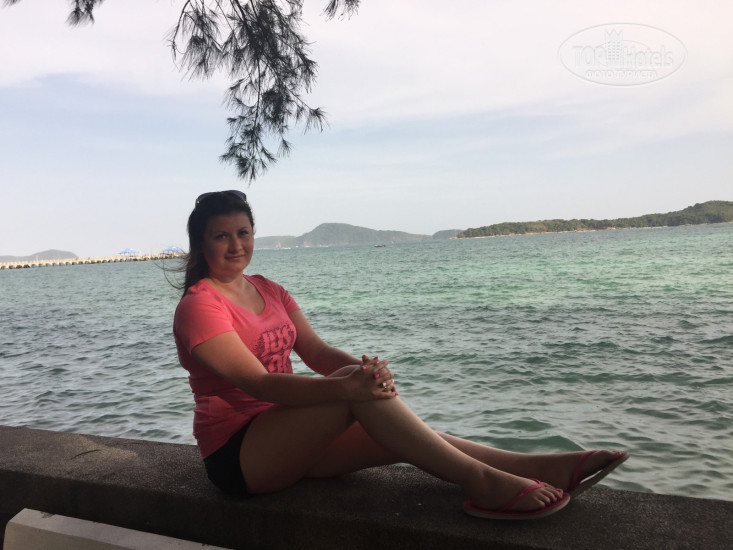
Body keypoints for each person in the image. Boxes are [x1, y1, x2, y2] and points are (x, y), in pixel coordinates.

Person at [173, 190, 629, 520]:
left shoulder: (268, 289)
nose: (236, 245)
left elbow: (316, 351)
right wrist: (351, 386)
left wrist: (366, 373)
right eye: (221, 236)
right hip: (240, 455)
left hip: (293, 437)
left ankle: (542, 467)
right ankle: (485, 485)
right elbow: (259, 384)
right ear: (201, 244)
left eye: (243, 232)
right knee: (355, 391)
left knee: (412, 437)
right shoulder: (201, 306)